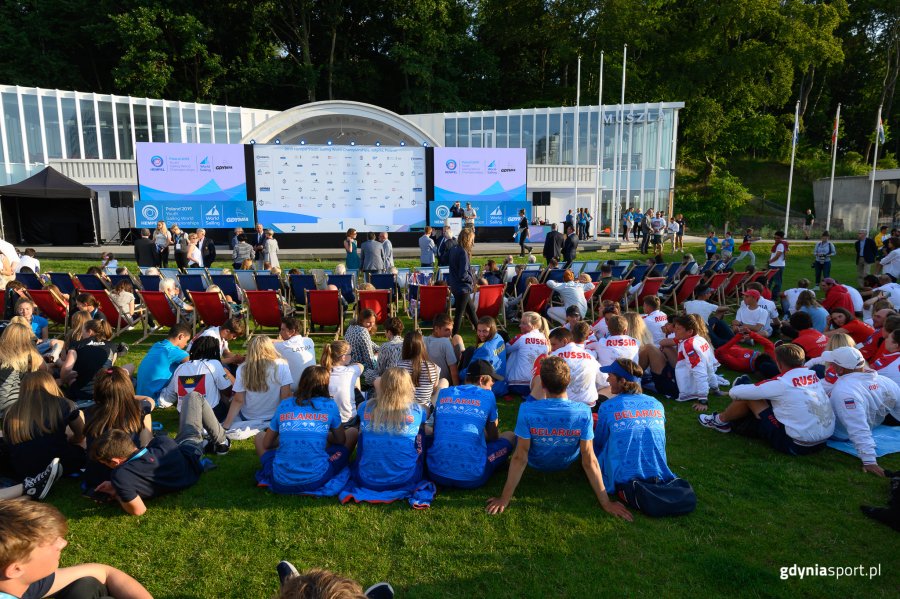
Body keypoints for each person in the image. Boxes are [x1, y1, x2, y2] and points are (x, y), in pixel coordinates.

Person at [485, 356, 632, 520]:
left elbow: (520, 456)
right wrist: (606, 503)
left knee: (515, 436)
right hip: (566, 462)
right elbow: (588, 458)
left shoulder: (527, 409)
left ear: (543, 384)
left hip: (536, 462)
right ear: (568, 382)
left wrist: (504, 499)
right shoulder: (583, 411)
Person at [90, 390, 223, 516]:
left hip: (182, 467)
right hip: (189, 454)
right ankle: (222, 441)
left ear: (115, 461)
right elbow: (139, 510)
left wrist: (118, 492)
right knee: (193, 397)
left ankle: (211, 442)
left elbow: (138, 506)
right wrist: (118, 490)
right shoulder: (162, 444)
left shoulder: (122, 476)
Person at [699, 344, 835, 455]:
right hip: (823, 441)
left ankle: (719, 421)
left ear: (779, 363)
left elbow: (735, 393)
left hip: (795, 445)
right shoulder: (814, 376)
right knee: (763, 396)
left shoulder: (781, 383)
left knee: (749, 396)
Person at [0, 500, 152, 598]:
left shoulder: (14, 582)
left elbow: (103, 571)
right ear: (15, 569)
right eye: (52, 542)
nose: (63, 543)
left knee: (83, 586)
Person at [254, 366, 357, 494]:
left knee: (259, 436)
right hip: (317, 478)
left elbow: (267, 443)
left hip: (280, 480)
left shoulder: (284, 404)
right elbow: (341, 440)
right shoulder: (329, 405)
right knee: (352, 432)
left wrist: (286, 438)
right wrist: (324, 435)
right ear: (325, 384)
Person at [593, 359, 677, 495]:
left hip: (621, 476)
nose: (607, 380)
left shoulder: (607, 406)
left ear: (622, 381)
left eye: (611, 376)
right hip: (657, 471)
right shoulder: (657, 404)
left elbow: (599, 443)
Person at [823, 346, 900, 475]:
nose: (830, 364)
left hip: (840, 434)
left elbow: (857, 427)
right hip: (872, 424)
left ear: (840, 369)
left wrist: (869, 461)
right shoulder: (887, 382)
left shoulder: (845, 391)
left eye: (833, 363)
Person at [353, 367, 428, 491]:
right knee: (421, 431)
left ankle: (364, 462)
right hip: (405, 479)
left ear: (381, 385)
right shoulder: (417, 410)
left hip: (367, 480)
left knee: (363, 431)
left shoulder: (365, 406)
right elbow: (425, 415)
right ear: (408, 386)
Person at [3, 371, 86, 482]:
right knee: (80, 419)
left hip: (22, 468)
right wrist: (71, 439)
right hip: (58, 463)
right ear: (51, 385)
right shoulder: (65, 404)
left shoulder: (11, 410)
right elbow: (81, 435)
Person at [222, 335, 292, 430]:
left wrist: (226, 425)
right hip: (274, 416)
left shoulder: (243, 368)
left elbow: (238, 400)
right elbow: (286, 396)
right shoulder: (282, 364)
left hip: (248, 417)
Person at [160, 336, 234, 422]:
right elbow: (228, 392)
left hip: (184, 416)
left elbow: (178, 394)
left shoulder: (180, 368)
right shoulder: (214, 364)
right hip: (211, 415)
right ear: (214, 351)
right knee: (226, 392)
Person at [60, 320, 126, 402]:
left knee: (70, 376)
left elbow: (66, 369)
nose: (82, 334)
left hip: (81, 393)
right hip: (104, 391)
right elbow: (109, 367)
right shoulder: (112, 346)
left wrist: (62, 379)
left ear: (90, 331)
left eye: (83, 331)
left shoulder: (77, 344)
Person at [135, 324, 192, 407]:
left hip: (141, 395)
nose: (186, 344)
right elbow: (194, 363)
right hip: (156, 399)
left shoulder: (157, 345)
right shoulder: (172, 351)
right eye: (186, 341)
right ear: (181, 336)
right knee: (187, 370)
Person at [672, 315, 719, 410]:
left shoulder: (689, 345)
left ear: (690, 332)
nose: (675, 331)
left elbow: (699, 372)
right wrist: (715, 388)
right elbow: (710, 368)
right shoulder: (701, 339)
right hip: (695, 385)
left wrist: (703, 399)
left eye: (678, 329)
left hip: (687, 389)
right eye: (675, 328)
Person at [395, 331, 445, 410]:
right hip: (425, 409)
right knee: (444, 381)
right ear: (422, 346)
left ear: (405, 347)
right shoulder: (434, 367)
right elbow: (433, 391)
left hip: (404, 407)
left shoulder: (398, 365)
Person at [320, 340, 364, 426]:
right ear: (343, 357)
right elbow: (361, 366)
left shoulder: (321, 372)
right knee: (355, 386)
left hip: (326, 419)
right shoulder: (351, 370)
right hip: (348, 420)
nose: (351, 357)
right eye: (351, 354)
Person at [505, 312, 549, 396]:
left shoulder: (521, 337)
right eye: (520, 322)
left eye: (524, 323)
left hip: (517, 385)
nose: (520, 325)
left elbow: (505, 350)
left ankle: (504, 379)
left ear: (533, 325)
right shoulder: (546, 339)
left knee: (514, 350)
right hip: (537, 386)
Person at [448, 228, 479, 336]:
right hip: (463, 287)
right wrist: (472, 280)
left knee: (471, 311)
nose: (472, 242)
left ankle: (481, 334)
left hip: (456, 286)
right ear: (468, 239)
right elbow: (463, 274)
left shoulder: (454, 249)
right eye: (472, 240)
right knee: (459, 314)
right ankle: (453, 336)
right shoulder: (463, 252)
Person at [275, 316, 316, 391]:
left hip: (293, 390)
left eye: (283, 330)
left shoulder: (281, 346)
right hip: (313, 385)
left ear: (292, 332)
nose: (280, 332)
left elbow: (266, 343)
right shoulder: (309, 341)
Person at [425, 313, 463, 386]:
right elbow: (454, 371)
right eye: (447, 330)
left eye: (451, 330)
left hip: (428, 383)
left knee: (455, 338)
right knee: (457, 337)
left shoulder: (423, 340)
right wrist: (456, 389)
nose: (450, 333)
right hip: (445, 383)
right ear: (436, 329)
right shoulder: (445, 342)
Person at [345, 309, 379, 385]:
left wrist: (380, 349)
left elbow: (369, 343)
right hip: (359, 366)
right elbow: (368, 357)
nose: (371, 325)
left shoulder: (351, 327)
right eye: (368, 322)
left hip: (347, 362)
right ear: (361, 321)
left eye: (373, 322)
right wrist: (374, 373)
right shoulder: (363, 331)